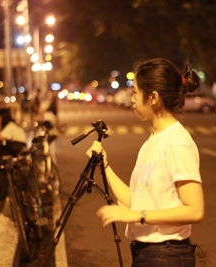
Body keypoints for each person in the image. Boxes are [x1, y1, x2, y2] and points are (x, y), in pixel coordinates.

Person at [87, 58, 205, 267]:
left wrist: (137, 216)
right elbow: (137, 200)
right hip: (147, 254)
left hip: (167, 257)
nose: (131, 99)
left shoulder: (177, 143)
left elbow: (195, 210)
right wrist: (104, 166)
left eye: (134, 92)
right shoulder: (154, 140)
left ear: (153, 98)